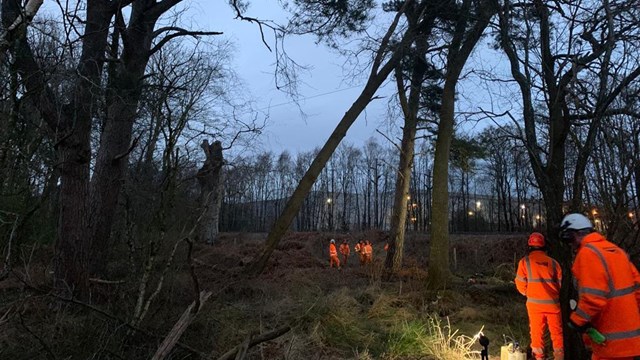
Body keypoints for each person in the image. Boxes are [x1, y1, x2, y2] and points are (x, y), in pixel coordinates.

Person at [560, 213, 640, 360]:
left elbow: (593, 297)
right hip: (631, 340)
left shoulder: (588, 254)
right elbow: (637, 289)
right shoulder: (616, 251)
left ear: (575, 235)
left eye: (569, 239)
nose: (570, 244)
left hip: (609, 341)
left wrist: (577, 321)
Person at [515, 232, 564, 360]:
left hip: (534, 305)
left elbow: (520, 284)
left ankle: (539, 357)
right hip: (553, 304)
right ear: (544, 246)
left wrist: (530, 293)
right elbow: (560, 285)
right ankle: (559, 357)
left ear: (529, 246)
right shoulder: (554, 263)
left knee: (536, 335)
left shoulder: (524, 262)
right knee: (557, 335)